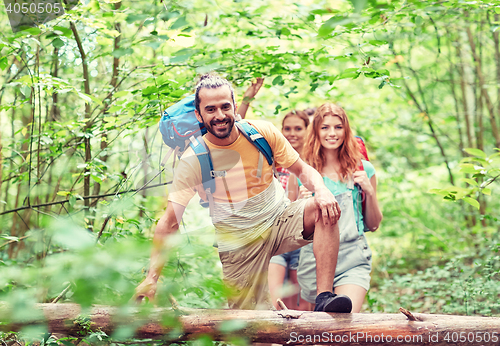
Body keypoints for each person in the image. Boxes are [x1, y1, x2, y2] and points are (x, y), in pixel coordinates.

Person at [135, 74, 352, 312]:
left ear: (235, 107)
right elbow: (169, 221)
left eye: (225, 106)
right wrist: (152, 277)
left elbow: (301, 168)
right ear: (199, 115)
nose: (219, 115)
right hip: (238, 245)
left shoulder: (261, 133)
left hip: (279, 219)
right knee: (250, 328)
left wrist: (321, 190)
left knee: (324, 206)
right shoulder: (193, 160)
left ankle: (324, 297)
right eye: (210, 109)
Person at [289, 103, 383, 313]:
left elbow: (374, 225)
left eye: (338, 127)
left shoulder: (363, 169)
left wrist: (369, 192)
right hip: (313, 262)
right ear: (316, 131)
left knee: (344, 322)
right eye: (325, 127)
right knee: (319, 333)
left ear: (346, 130)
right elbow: (292, 232)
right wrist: (301, 206)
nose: (332, 133)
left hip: (352, 258)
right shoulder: (302, 173)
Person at [267, 110, 311, 310]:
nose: (292, 133)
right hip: (275, 238)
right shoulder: (273, 161)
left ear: (308, 131)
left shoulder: (312, 166)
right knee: (274, 301)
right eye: (287, 129)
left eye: (298, 128)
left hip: (302, 242)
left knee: (298, 306)